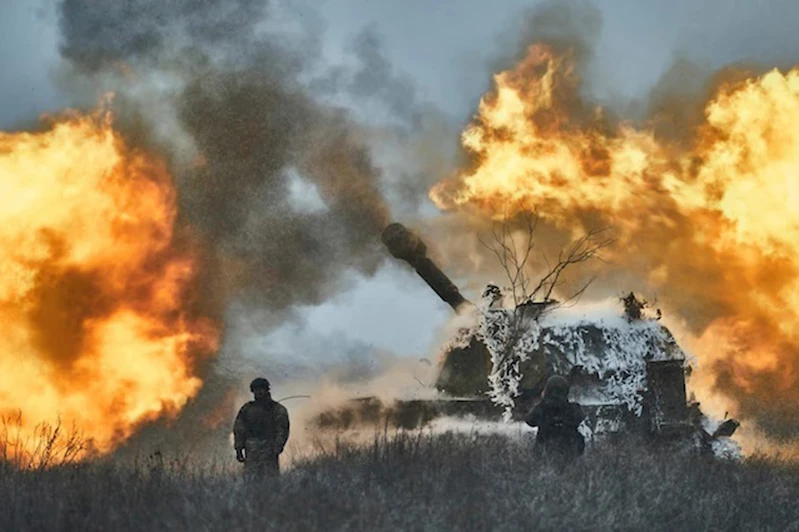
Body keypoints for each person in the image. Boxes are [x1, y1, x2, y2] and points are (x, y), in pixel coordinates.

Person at [233, 377, 290, 479]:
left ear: (266, 390)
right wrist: (238, 448)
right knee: (251, 480)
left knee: (270, 481)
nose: (258, 392)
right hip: (251, 450)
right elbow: (239, 429)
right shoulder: (247, 409)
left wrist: (278, 447)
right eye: (255, 390)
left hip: (269, 449)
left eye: (261, 389)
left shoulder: (277, 409)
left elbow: (282, 430)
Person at [525, 375, 585, 460]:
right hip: (569, 452)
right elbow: (581, 417)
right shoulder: (572, 408)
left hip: (545, 452)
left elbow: (529, 420)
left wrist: (543, 401)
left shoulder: (542, 408)